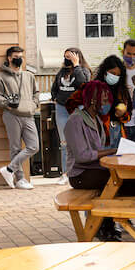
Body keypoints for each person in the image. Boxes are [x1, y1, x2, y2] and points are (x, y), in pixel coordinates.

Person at [64, 80, 135, 242]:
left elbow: (99, 152)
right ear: (92, 99)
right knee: (116, 182)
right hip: (80, 174)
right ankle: (105, 226)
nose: (107, 103)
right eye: (104, 100)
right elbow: (82, 156)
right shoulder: (75, 121)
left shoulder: (96, 120)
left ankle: (104, 223)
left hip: (95, 170)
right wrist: (112, 150)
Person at [0, 45, 39, 190]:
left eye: (21, 57)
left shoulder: (29, 76)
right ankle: (20, 180)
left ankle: (9, 169)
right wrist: (8, 104)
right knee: (15, 148)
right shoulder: (1, 76)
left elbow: (36, 93)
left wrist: (33, 104)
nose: (19, 59)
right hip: (11, 115)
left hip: (29, 115)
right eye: (16, 57)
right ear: (9, 58)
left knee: (34, 146)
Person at [51, 47, 90, 185]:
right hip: (61, 108)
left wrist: (77, 65)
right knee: (64, 143)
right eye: (65, 57)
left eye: (70, 57)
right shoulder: (62, 72)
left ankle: (79, 171)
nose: (67, 60)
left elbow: (83, 83)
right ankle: (65, 173)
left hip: (76, 109)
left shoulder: (83, 71)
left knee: (79, 141)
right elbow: (54, 87)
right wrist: (55, 97)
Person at [95, 54, 133, 145]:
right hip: (100, 132)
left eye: (118, 75)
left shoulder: (122, 90)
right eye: (112, 73)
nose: (115, 77)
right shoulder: (95, 88)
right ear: (105, 72)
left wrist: (122, 114)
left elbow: (129, 113)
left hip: (118, 130)